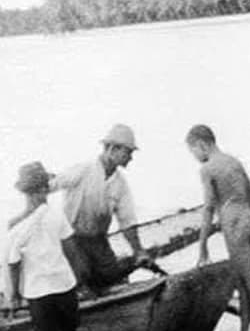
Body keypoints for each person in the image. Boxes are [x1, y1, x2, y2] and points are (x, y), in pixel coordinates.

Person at [12, 124, 150, 295]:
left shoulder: (120, 184)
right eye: (128, 152)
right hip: (73, 239)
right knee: (81, 278)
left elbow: (127, 221)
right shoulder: (83, 170)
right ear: (112, 148)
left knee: (111, 276)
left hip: (98, 240)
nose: (130, 158)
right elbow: (49, 186)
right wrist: (28, 213)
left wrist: (138, 251)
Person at [186, 124, 250, 331]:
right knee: (242, 279)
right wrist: (244, 213)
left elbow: (208, 208)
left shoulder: (208, 168)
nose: (194, 156)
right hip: (248, 218)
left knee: (249, 279)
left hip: (233, 223)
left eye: (193, 150)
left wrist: (203, 244)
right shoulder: (233, 162)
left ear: (201, 144)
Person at [5, 161, 93, 331]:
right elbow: (71, 250)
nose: (45, 192)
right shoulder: (56, 215)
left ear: (25, 192)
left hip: (38, 289)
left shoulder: (15, 225)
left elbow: (13, 262)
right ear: (40, 190)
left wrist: (14, 294)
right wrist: (81, 280)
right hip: (63, 283)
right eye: (43, 188)